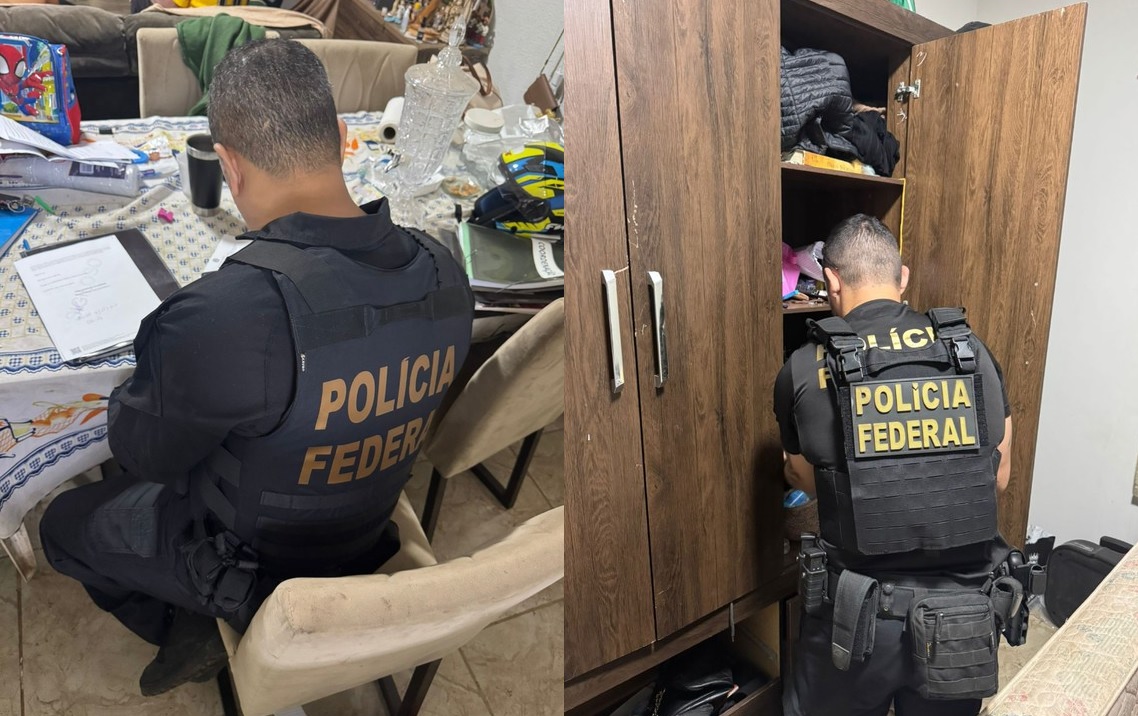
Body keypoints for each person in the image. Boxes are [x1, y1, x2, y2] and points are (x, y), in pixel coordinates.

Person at [39, 39, 474, 696]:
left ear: (229, 168)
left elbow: (142, 454)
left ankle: (187, 626)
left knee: (61, 526)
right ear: (340, 139)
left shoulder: (226, 316)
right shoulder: (445, 268)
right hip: (365, 530)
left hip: (250, 567)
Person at [775, 215, 1019, 716]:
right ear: (902, 277)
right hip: (960, 621)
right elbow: (997, 477)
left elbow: (802, 479)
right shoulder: (970, 351)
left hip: (854, 623)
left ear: (831, 280)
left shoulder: (804, 366)